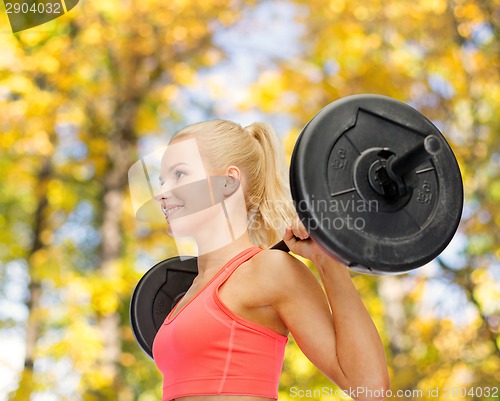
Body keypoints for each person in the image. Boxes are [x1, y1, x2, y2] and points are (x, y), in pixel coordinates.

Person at [151, 120, 390, 401]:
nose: (161, 193)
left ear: (228, 182)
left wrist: (328, 262)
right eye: (161, 180)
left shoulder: (270, 270)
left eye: (179, 174)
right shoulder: (186, 295)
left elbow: (370, 387)